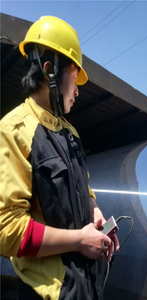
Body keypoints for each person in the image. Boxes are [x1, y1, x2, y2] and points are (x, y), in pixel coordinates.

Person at [0, 16, 119, 300]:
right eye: (75, 76)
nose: (78, 89)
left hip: (88, 286)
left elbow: (84, 189)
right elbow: (7, 230)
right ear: (49, 70)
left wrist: (96, 215)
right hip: (49, 293)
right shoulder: (14, 130)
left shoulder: (71, 133)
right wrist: (80, 240)